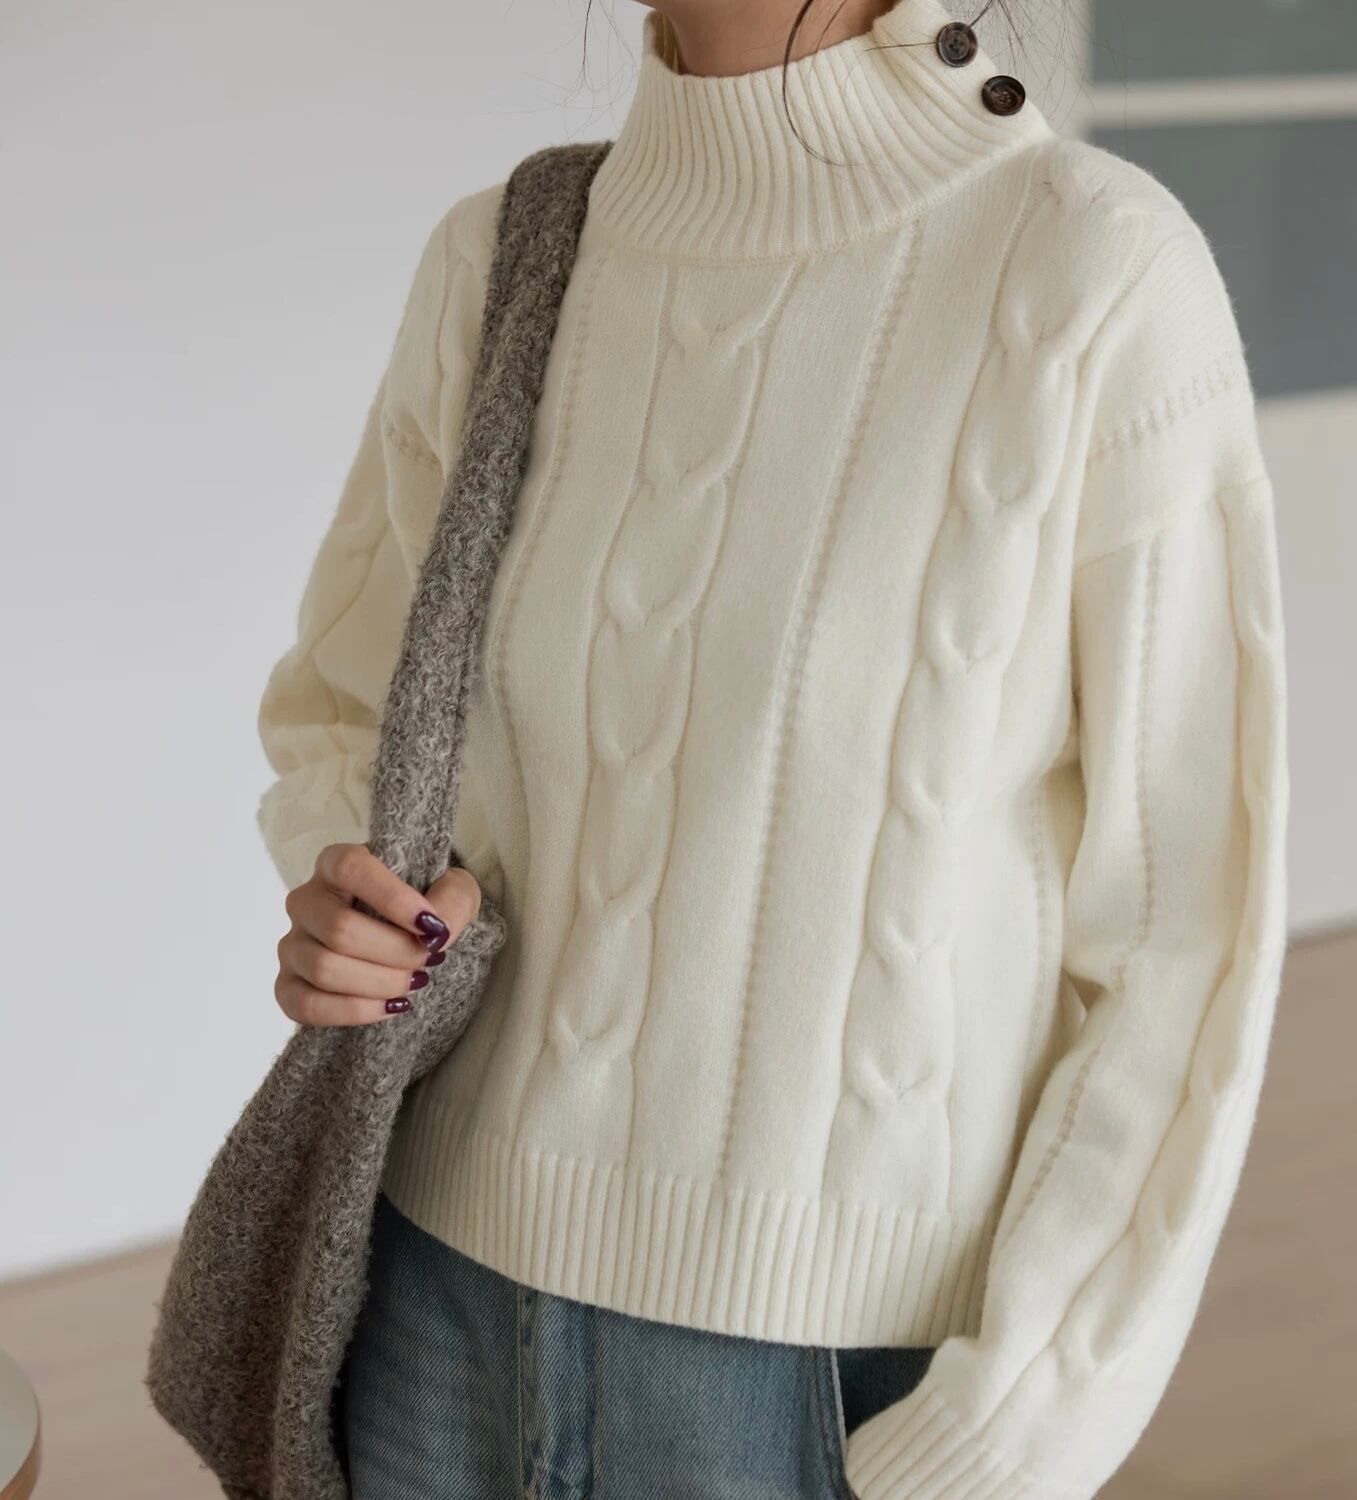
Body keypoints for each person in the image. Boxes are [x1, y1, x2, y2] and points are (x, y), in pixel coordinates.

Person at [253, 0, 1290, 1495]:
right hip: (426, 1303)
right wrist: (352, 906)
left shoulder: (1091, 268)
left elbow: (1189, 937)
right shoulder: (502, 255)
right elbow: (347, 710)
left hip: (808, 1373)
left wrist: (1010, 1436)